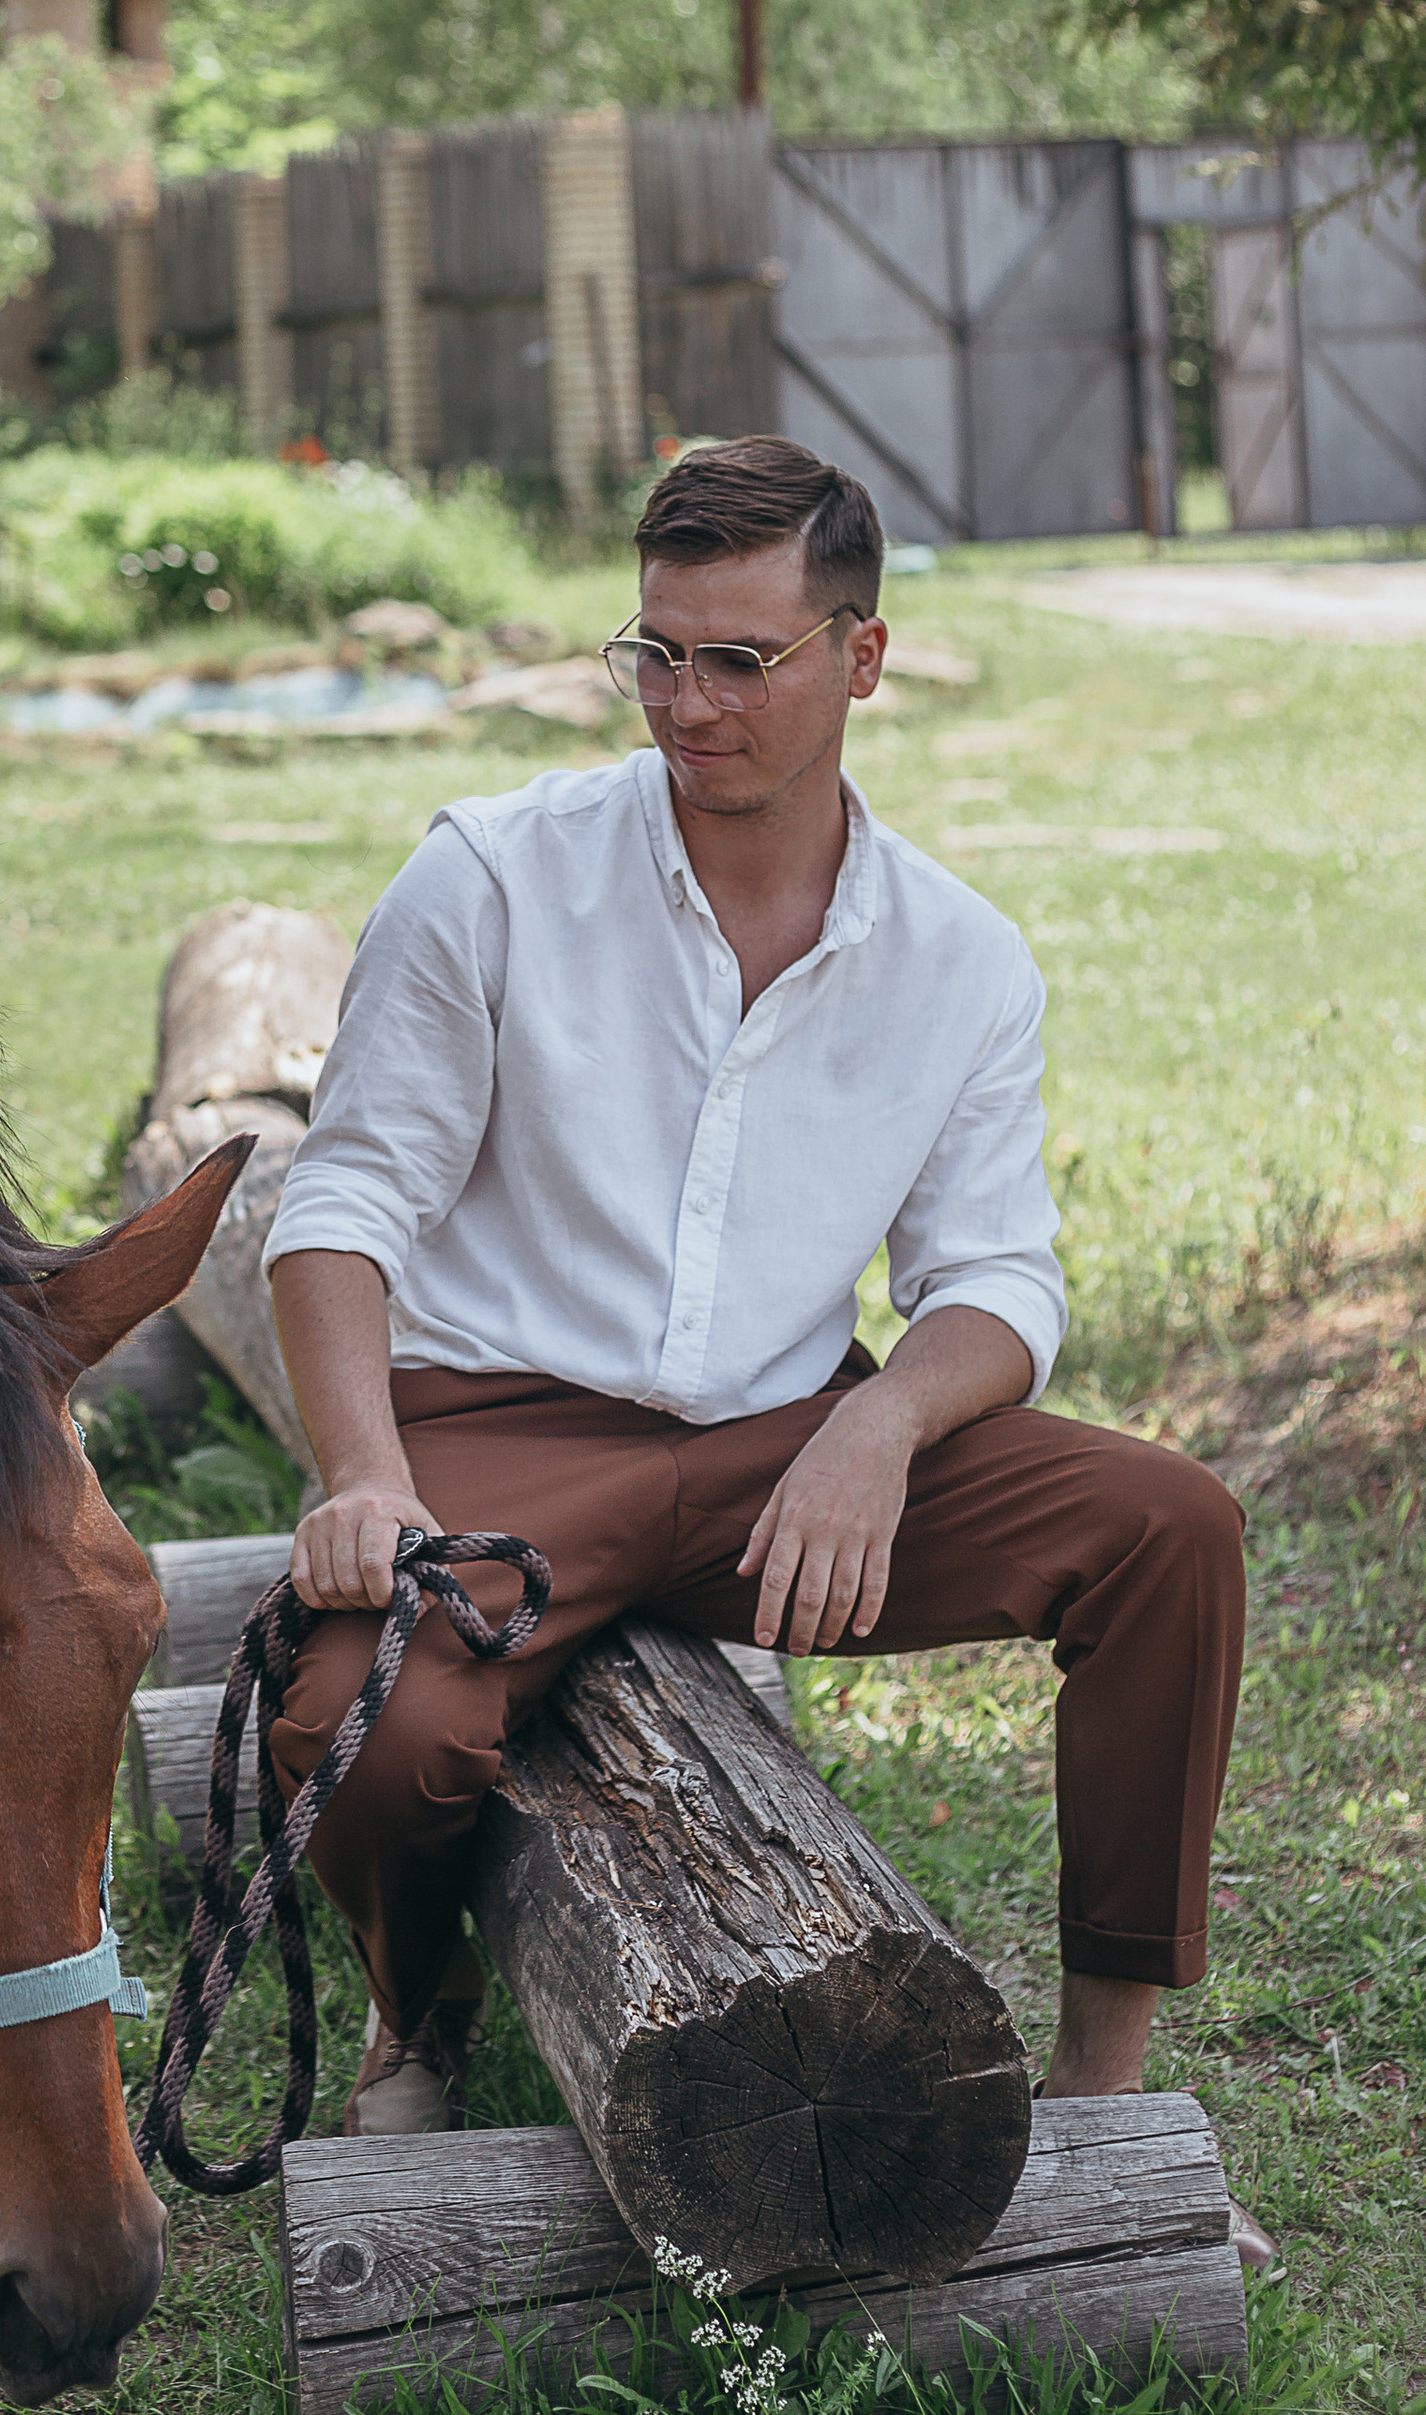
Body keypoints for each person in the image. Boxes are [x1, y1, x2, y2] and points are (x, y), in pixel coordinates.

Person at [264, 436, 1251, 2200]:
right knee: (373, 1737)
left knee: (1169, 1531)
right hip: (504, 1430)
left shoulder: (962, 959)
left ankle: (1107, 2088)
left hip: (789, 1442)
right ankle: (417, 2008)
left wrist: (879, 1428)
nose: (686, 703)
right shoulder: (489, 878)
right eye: (656, 651)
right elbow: (343, 1207)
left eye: (741, 659)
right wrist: (358, 1469)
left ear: (859, 658)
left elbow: (1000, 1279)